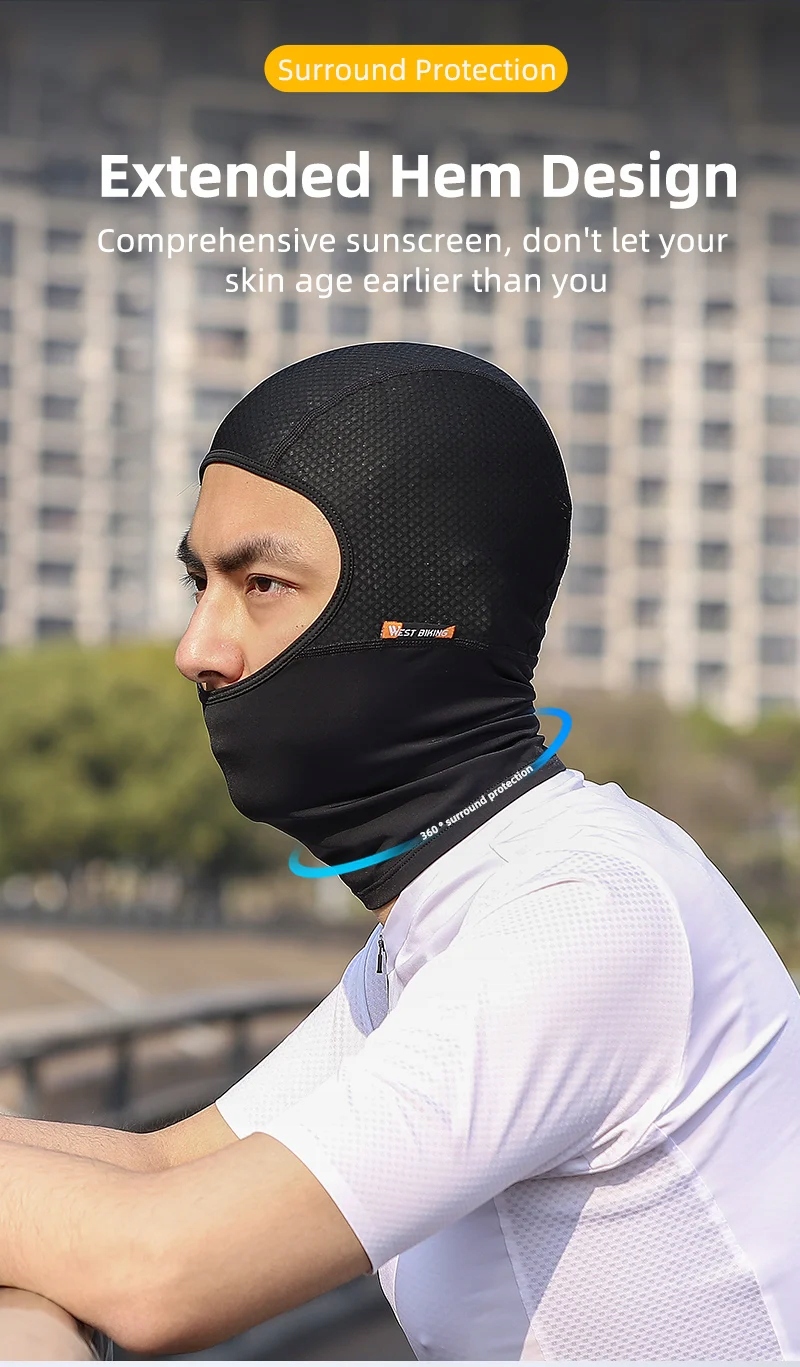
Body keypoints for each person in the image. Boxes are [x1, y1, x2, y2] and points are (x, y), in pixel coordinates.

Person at [0, 342, 797, 1361]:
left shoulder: (588, 910)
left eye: (261, 583)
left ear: (431, 615)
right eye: (201, 582)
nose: (196, 648)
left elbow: (158, 1268)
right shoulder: (443, 920)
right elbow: (165, 1165)